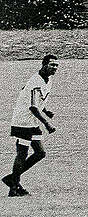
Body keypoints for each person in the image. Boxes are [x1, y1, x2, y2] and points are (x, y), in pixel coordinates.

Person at [3, 55, 59, 197]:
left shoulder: (48, 79)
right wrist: (47, 123)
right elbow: (33, 107)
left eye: (56, 66)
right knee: (22, 154)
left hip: (31, 121)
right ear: (44, 64)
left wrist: (46, 110)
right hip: (23, 122)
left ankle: (12, 178)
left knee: (40, 153)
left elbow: (36, 99)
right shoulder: (36, 81)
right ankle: (14, 187)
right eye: (52, 65)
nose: (55, 68)